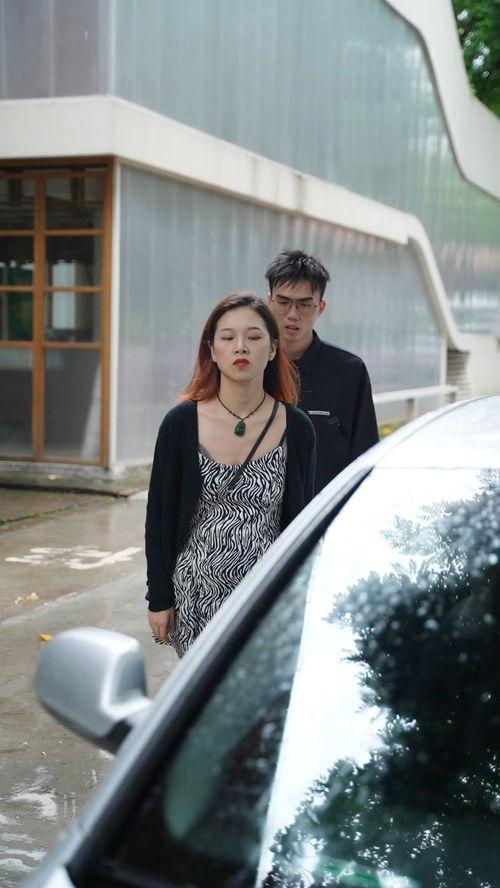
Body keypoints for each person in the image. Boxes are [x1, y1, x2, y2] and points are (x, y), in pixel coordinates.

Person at [145, 293, 316, 657]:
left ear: (272, 349)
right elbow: (158, 518)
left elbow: (303, 525)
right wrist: (159, 598)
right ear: (212, 350)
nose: (241, 346)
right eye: (227, 337)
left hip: (267, 597)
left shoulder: (297, 428)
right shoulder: (180, 423)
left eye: (254, 337)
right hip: (195, 594)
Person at [266, 249, 378, 494]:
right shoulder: (253, 367)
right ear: (269, 302)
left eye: (305, 304)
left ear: (320, 307)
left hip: (324, 511)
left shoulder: (348, 372)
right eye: (283, 302)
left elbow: (366, 455)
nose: (292, 314)